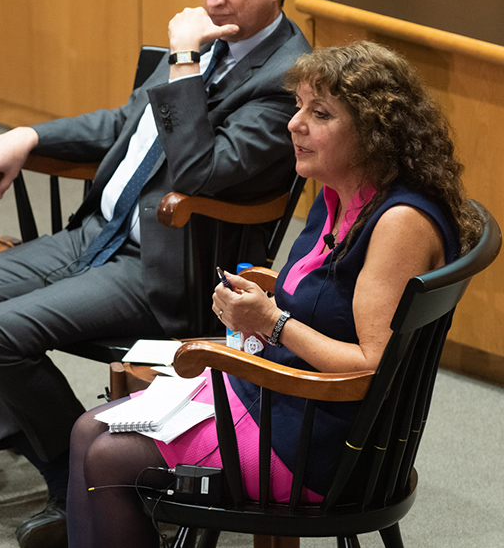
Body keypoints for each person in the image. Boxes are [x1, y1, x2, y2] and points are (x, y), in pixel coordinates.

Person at [0, 0, 311, 546]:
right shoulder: (208, 45)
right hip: (100, 234)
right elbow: (125, 126)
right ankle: (72, 473)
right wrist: (29, 134)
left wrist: (180, 59)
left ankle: (78, 483)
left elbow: (198, 169)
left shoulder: (286, 78)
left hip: (174, 268)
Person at [65, 40, 483, 547]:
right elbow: (318, 291)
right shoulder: (340, 192)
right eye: (300, 106)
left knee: (108, 456)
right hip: (284, 393)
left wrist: (272, 322)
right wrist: (260, 300)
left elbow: (372, 367)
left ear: (374, 132)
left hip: (324, 440)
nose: (294, 123)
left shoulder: (399, 224)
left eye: (320, 113)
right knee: (88, 429)